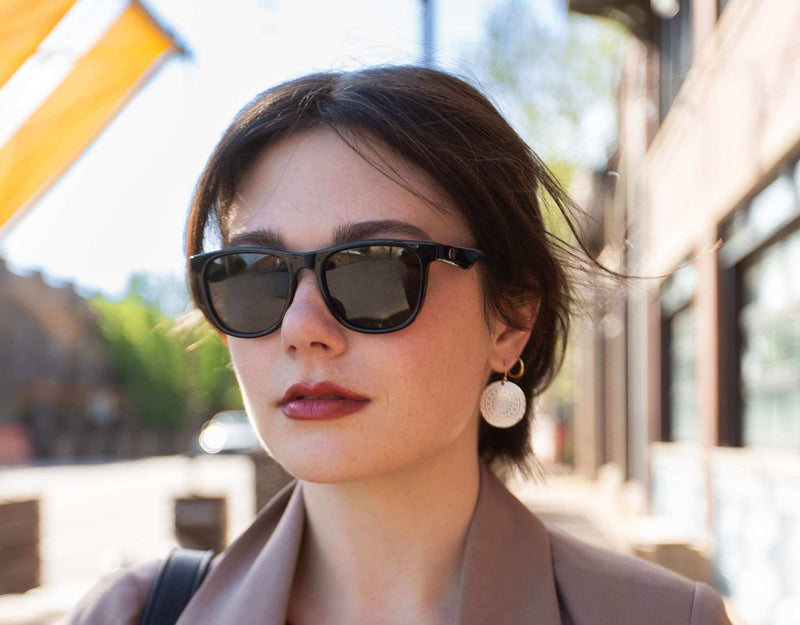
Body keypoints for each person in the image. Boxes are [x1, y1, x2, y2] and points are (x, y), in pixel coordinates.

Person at [64, 65, 732, 625]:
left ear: (510, 321)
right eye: (253, 276)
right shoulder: (131, 614)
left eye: (375, 268)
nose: (301, 327)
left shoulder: (666, 617)